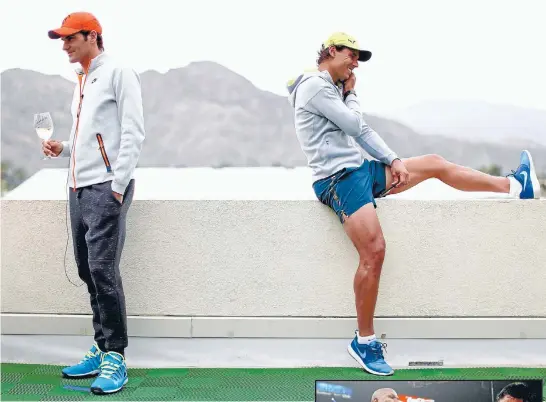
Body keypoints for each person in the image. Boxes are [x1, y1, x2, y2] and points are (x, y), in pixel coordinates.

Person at [286, 32, 541, 376]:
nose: (356, 63)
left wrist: (393, 160)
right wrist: (353, 93)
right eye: (352, 55)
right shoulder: (316, 86)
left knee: (434, 162)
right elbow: (353, 123)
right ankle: (364, 341)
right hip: (338, 181)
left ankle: (515, 186)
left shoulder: (334, 90)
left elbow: (361, 133)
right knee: (374, 251)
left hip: (359, 171)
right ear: (332, 51)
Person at [42, 11, 145, 395]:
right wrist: (63, 147)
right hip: (78, 185)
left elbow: (134, 131)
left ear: (93, 36)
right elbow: (89, 136)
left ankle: (115, 356)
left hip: (105, 186)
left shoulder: (119, 72)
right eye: (62, 40)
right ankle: (102, 347)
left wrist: (117, 185)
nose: (65, 46)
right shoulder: (83, 80)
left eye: (71, 38)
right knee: (86, 269)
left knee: (103, 270)